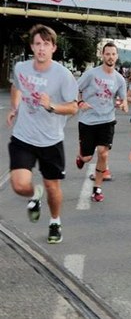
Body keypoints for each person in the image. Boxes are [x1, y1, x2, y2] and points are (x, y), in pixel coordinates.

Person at [6, 24, 79, 244]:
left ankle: (55, 221)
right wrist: (14, 107)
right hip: (23, 137)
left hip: (51, 140)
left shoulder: (63, 75)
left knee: (52, 187)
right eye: (37, 44)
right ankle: (34, 195)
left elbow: (73, 107)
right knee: (19, 185)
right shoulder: (21, 68)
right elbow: (16, 87)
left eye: (46, 44)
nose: (41, 49)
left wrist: (52, 107)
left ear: (53, 48)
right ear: (32, 47)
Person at [75, 42, 128, 202]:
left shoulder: (119, 79)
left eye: (113, 54)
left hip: (107, 120)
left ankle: (97, 189)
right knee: (87, 158)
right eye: (107, 54)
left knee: (103, 154)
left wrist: (123, 104)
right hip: (88, 120)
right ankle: (81, 155)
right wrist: (79, 103)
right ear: (102, 55)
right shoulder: (91, 74)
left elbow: (123, 99)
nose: (110, 57)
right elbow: (75, 88)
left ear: (117, 56)